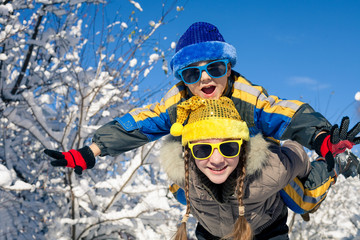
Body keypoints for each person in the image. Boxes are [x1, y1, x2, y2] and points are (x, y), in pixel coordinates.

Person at [44, 22, 360, 222]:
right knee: (188, 191)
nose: (206, 79)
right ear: (183, 78)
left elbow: (282, 112)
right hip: (208, 165)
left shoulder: (244, 94)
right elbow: (140, 122)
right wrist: (93, 150)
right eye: (193, 73)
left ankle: (332, 166)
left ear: (228, 68)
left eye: (215, 68)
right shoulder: (180, 99)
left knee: (299, 201)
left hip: (254, 162)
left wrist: (321, 137)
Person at [161, 95, 326, 240]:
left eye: (228, 147)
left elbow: (297, 155)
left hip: (266, 230)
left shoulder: (271, 171)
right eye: (203, 149)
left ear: (242, 148)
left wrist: (309, 167)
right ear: (188, 153)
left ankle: (334, 166)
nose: (217, 160)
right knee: (184, 195)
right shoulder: (183, 175)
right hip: (212, 232)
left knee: (304, 202)